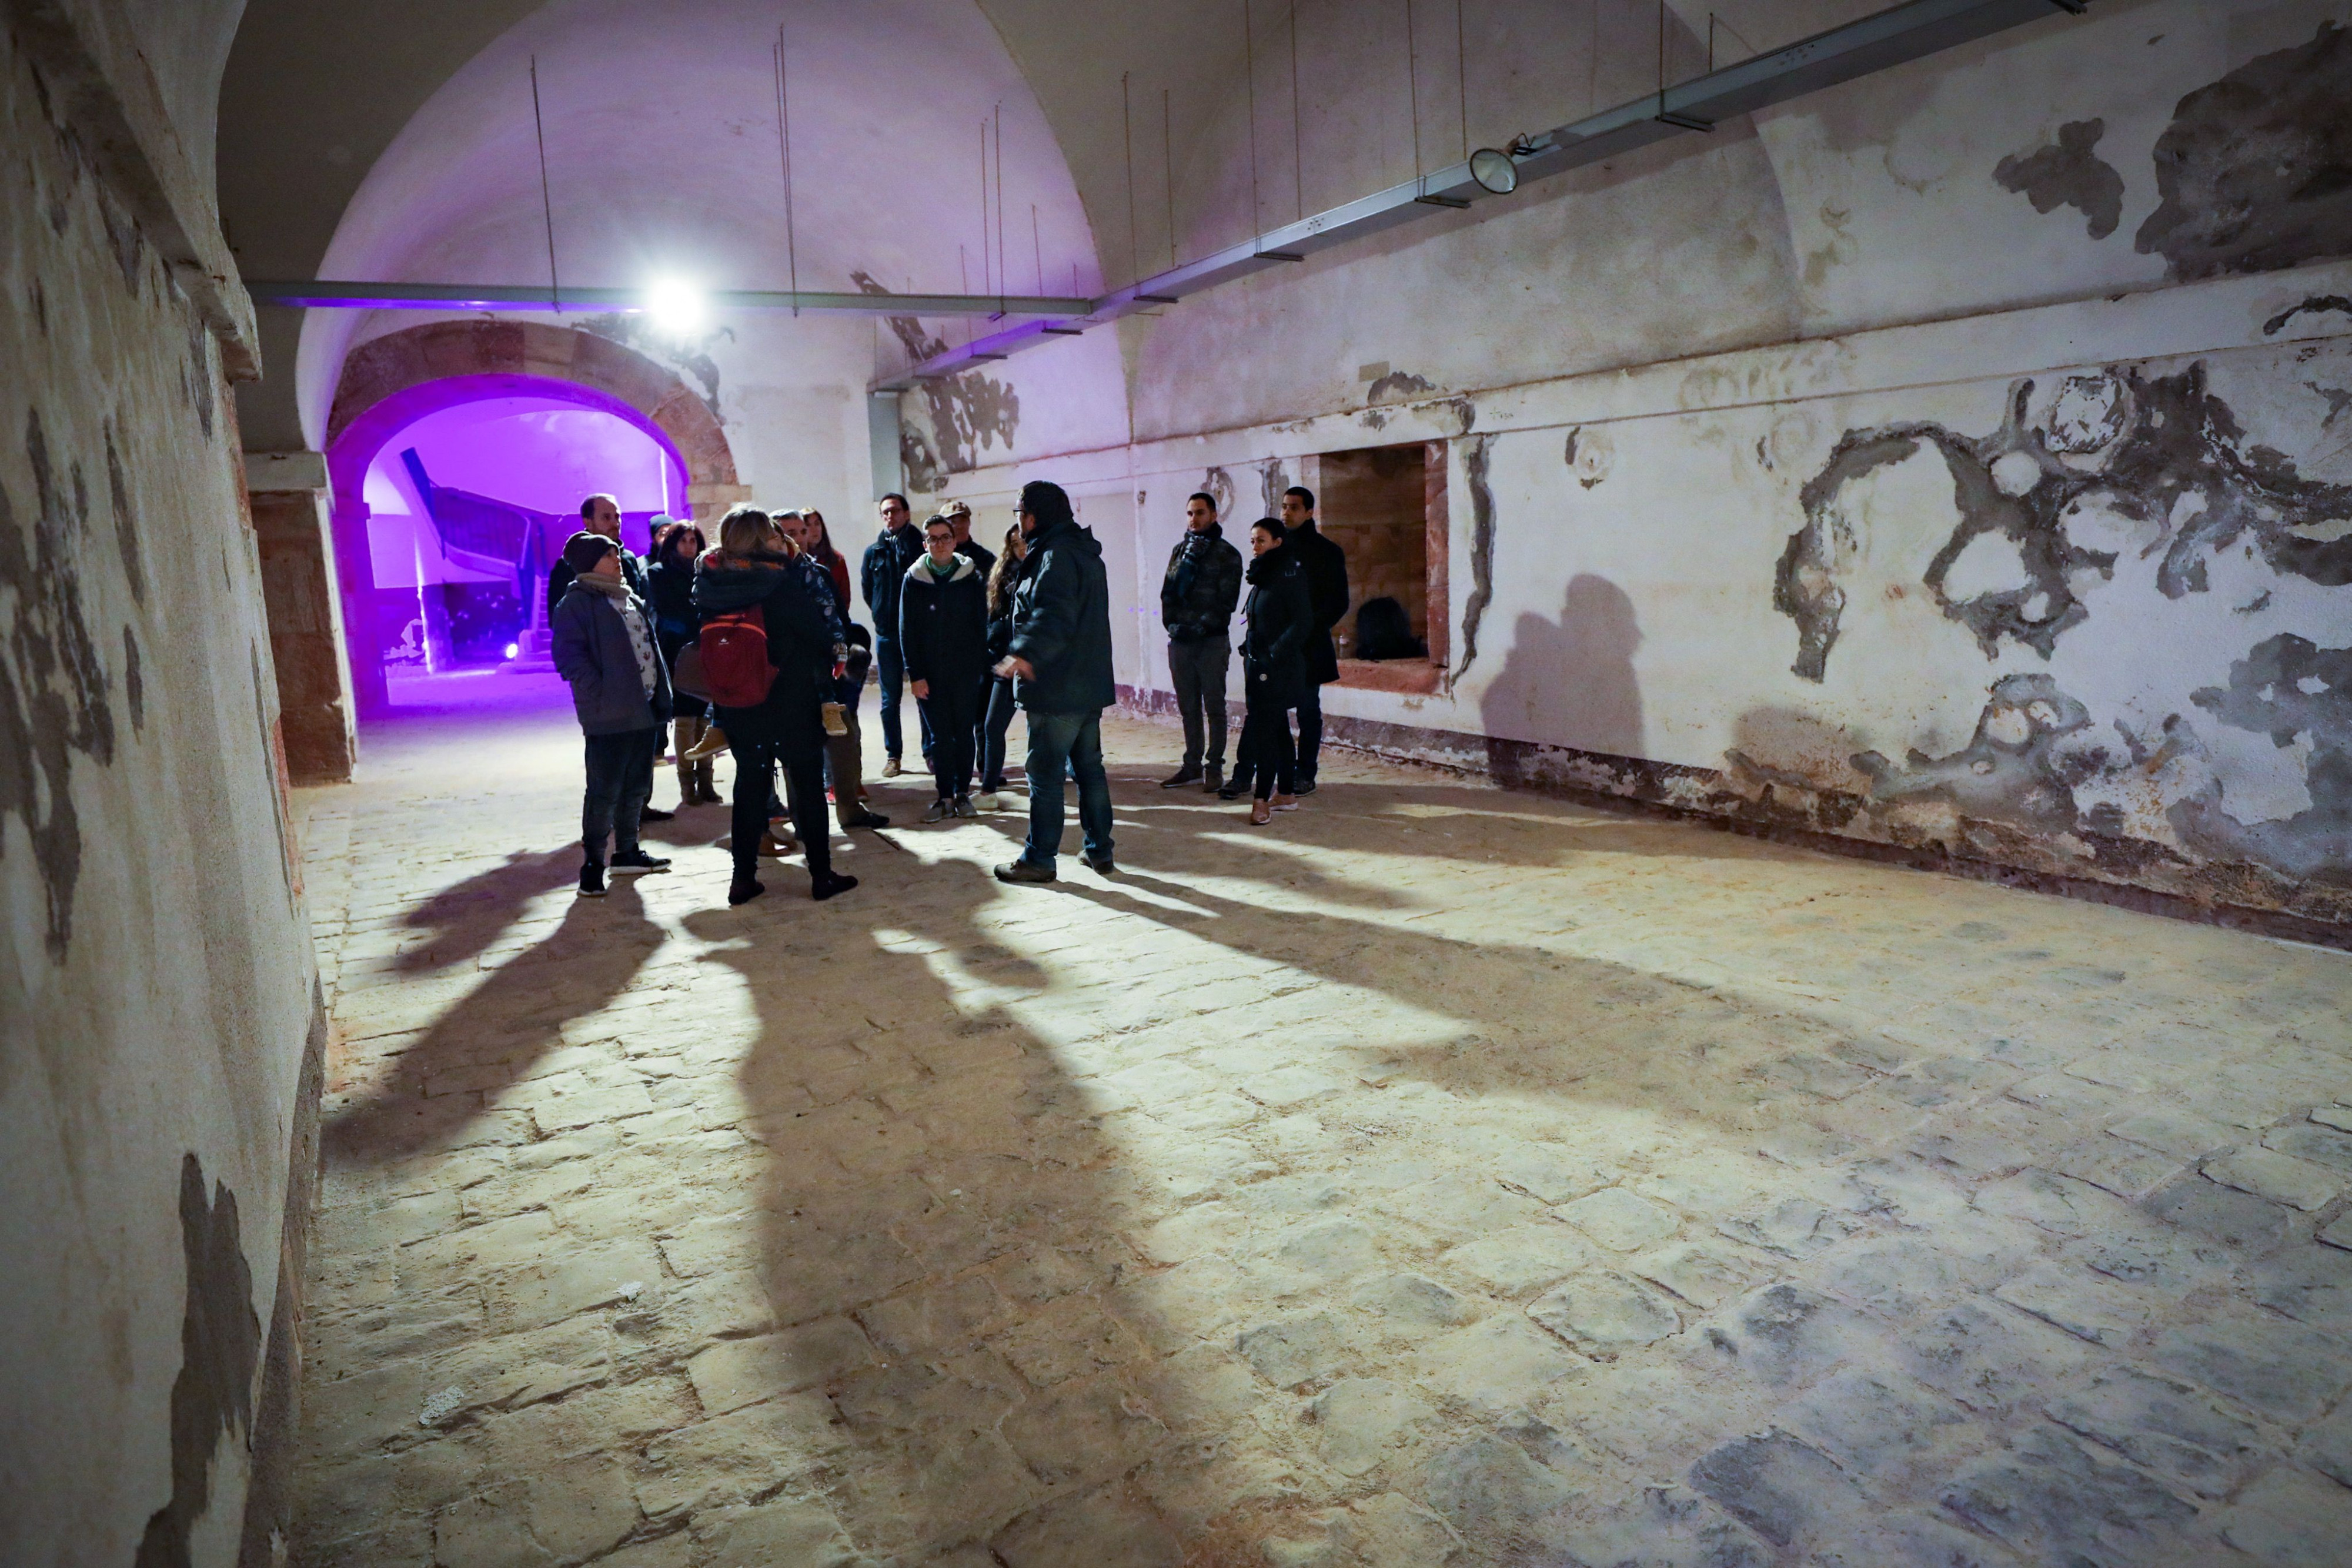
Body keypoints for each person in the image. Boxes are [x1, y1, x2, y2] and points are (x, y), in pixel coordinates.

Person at [695, 506, 858, 906]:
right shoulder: (779, 580)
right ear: (759, 537)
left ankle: (742, 879)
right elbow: (817, 633)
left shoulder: (711, 583)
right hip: (790, 700)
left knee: (749, 785)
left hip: (740, 700)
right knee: (806, 785)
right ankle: (822, 876)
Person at [993, 481, 1116, 883]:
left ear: (1032, 515)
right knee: (1089, 769)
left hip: (1058, 688)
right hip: (1086, 685)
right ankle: (1099, 850)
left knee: (1044, 775)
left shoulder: (1054, 555)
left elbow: (1053, 614)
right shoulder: (1082, 551)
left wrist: (1024, 652)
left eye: (1019, 512)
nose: (1018, 521)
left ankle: (1039, 858)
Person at [550, 531, 674, 897]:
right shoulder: (576, 604)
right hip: (608, 715)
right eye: (608, 555)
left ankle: (628, 852)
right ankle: (592, 864)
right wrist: (601, 692)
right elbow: (569, 657)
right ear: (589, 562)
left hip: (644, 707)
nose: (617, 559)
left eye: (616, 553)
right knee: (604, 790)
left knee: (637, 785)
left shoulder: (628, 597)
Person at [550, 493, 671, 820]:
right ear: (587, 523)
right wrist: (598, 684)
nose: (614, 522)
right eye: (606, 517)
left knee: (641, 754)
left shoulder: (628, 560)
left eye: (617, 516)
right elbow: (564, 635)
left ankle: (638, 810)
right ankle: (607, 835)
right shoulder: (568, 571)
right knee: (610, 767)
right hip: (608, 684)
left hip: (639, 679)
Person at [779, 509, 887, 832]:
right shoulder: (766, 580)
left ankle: (850, 809)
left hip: (829, 674)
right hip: (790, 680)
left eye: (800, 532)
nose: (797, 539)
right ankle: (804, 823)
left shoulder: (820, 573)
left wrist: (847, 651)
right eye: (788, 532)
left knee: (845, 745)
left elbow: (840, 620)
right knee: (798, 758)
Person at [899, 514, 990, 822]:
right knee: (939, 736)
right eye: (933, 539)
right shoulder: (914, 579)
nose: (940, 544)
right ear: (925, 544)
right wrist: (915, 674)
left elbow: (982, 624)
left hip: (965, 672)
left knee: (964, 733)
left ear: (955, 541)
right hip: (929, 675)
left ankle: (963, 793)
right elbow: (906, 630)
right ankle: (944, 796)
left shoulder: (970, 577)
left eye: (945, 538)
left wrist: (979, 667)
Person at [1158, 491, 1244, 791]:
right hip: (1180, 642)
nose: (1194, 519)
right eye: (1190, 513)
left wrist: (1199, 627)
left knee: (1215, 707)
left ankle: (1215, 767)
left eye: (1200, 513)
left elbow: (1227, 603)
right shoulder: (1180, 551)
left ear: (1214, 516)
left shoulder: (1227, 553)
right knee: (1188, 706)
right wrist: (1172, 625)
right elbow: (1168, 593)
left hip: (1211, 641)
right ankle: (1191, 765)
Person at [1229, 519, 1311, 824]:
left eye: (1261, 540)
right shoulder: (1263, 574)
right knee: (1276, 728)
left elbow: (1302, 622)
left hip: (1277, 668)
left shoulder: (1289, 575)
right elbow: (1260, 619)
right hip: (1258, 664)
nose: (1254, 546)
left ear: (1278, 541)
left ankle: (1261, 799)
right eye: (1252, 540)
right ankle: (1286, 794)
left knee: (1264, 731)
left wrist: (1274, 653)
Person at [1279, 484, 1348, 794]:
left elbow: (1338, 602)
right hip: (1277, 645)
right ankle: (1283, 768)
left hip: (1309, 644)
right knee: (1275, 710)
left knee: (1308, 710)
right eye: (1284, 506)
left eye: (1294, 507)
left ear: (1309, 512)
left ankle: (1306, 772)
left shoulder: (1328, 552)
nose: (1286, 512)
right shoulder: (1276, 549)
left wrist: (1308, 627)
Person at [646, 520, 720, 808]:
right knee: (686, 721)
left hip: (706, 647)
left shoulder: (707, 571)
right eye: (684, 541)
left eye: (694, 540)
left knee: (706, 718)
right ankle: (687, 784)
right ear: (673, 543)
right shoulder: (659, 572)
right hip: (678, 650)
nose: (689, 546)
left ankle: (707, 781)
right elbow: (670, 608)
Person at [860, 493, 928, 777]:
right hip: (887, 635)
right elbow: (868, 590)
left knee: (925, 693)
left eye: (895, 511)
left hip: (918, 634)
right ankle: (894, 755)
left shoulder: (920, 546)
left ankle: (931, 752)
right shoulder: (874, 551)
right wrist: (880, 613)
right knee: (890, 699)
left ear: (907, 513)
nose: (890, 517)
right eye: (885, 512)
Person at [977, 523, 1026, 809]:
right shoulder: (1001, 573)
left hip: (1031, 661)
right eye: (1015, 542)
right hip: (1002, 661)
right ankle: (988, 790)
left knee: (1046, 729)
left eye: (1024, 541)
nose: (1021, 547)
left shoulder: (1040, 573)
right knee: (991, 726)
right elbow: (994, 617)